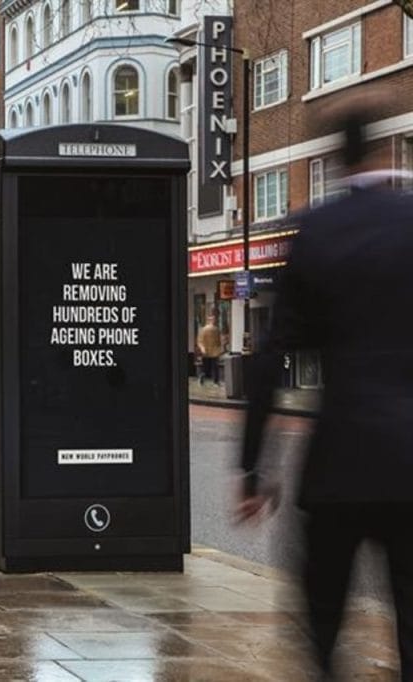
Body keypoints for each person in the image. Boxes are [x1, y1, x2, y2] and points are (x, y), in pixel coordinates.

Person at [239, 91, 413, 679]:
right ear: (384, 151)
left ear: (338, 161)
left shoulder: (315, 232)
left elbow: (272, 356)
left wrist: (252, 468)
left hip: (339, 463)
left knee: (322, 612)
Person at [197, 314, 222, 385]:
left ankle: (215, 381)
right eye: (211, 319)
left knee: (214, 367)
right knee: (206, 367)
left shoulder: (216, 329)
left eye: (213, 319)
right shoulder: (204, 330)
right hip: (207, 351)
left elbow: (218, 341)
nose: (213, 321)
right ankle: (202, 378)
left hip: (213, 351)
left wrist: (219, 349)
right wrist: (202, 348)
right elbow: (200, 341)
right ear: (208, 320)